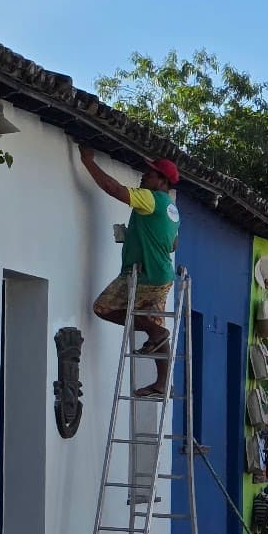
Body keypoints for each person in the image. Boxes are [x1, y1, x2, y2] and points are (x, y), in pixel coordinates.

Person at [81, 147, 181, 398]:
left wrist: (87, 161)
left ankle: (154, 331)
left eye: (149, 174)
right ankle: (162, 383)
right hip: (162, 276)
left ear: (162, 181)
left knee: (103, 307)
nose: (143, 177)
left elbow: (114, 190)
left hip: (143, 275)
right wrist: (137, 236)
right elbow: (173, 244)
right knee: (156, 326)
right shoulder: (172, 209)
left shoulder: (150, 198)